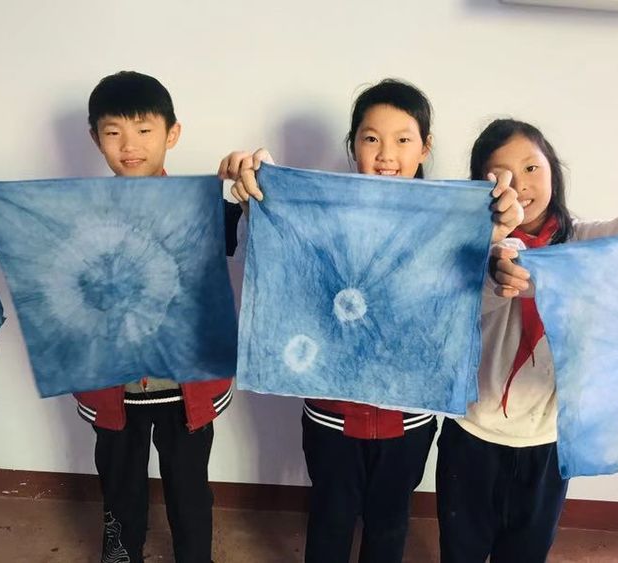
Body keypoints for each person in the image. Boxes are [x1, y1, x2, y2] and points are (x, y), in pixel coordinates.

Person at [219, 79, 523, 563]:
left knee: (389, 524)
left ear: (425, 147)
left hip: (410, 417)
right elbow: (282, 255)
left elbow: (471, 299)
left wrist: (495, 235)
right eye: (371, 138)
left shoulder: (450, 222)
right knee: (330, 520)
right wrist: (258, 188)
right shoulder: (323, 211)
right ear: (353, 144)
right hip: (330, 412)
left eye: (403, 139)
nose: (386, 154)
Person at [436, 117, 618, 563]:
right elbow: (450, 310)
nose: (520, 184)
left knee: (526, 553)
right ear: (482, 186)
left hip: (548, 441)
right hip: (472, 436)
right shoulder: (468, 249)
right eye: (500, 174)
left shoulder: (582, 241)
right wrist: (493, 270)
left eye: (531, 168)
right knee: (461, 552)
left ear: (552, 170)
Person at [76, 70, 238, 563]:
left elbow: (252, 227)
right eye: (114, 132)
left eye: (144, 130)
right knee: (119, 487)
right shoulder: (75, 213)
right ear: (96, 138)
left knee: (190, 492)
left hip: (186, 387)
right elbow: (17, 235)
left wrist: (250, 184)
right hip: (113, 385)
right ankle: (121, 555)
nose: (130, 145)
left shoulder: (202, 206)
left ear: (172, 134)